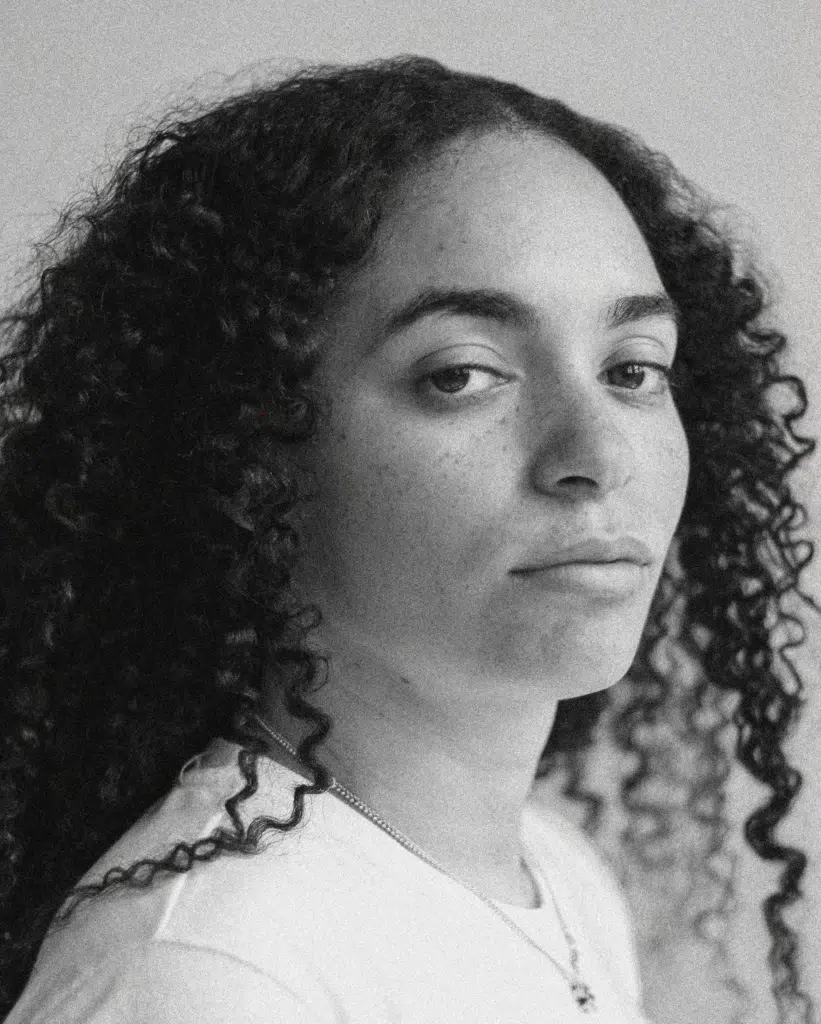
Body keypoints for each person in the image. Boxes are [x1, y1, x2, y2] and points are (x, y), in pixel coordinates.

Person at [0, 56, 817, 1024]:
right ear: (241, 453)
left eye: (632, 368)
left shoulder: (559, 873)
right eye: (460, 376)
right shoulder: (207, 976)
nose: (596, 453)